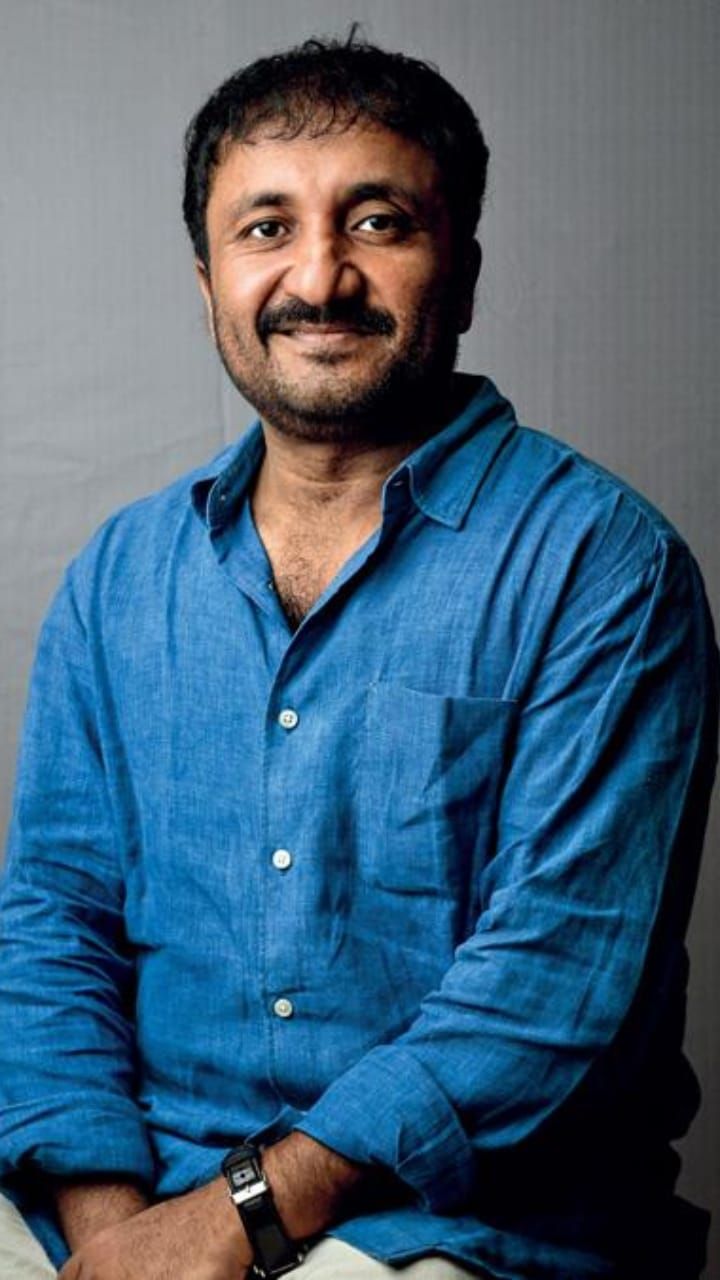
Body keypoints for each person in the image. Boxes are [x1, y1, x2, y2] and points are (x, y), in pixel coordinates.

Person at [0, 31, 717, 1280]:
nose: (319, 277)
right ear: (208, 278)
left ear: (465, 269)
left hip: (456, 1230)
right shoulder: (120, 578)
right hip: (132, 1198)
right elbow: (54, 925)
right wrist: (115, 1235)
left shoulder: (608, 568)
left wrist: (227, 1223)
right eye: (266, 228)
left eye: (378, 222)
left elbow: (547, 991)